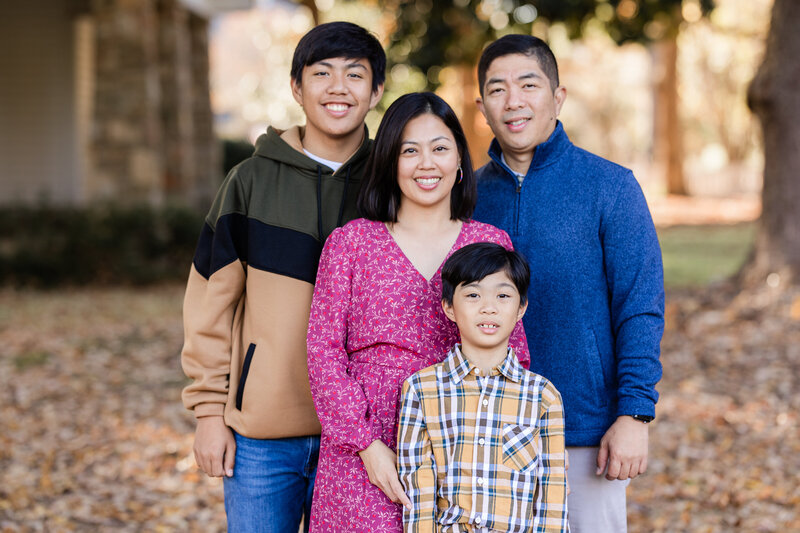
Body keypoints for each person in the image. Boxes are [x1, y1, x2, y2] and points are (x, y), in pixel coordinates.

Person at [180, 21, 385, 532]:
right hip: (262, 439)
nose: (338, 87)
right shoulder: (248, 181)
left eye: (355, 74)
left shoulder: (393, 181)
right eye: (322, 73)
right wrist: (209, 412)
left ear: (376, 90)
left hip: (367, 434)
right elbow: (209, 304)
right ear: (297, 87)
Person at [306, 92, 530, 533]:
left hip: (463, 452)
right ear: (391, 163)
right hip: (364, 458)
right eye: (410, 150)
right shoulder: (351, 244)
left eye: (440, 148)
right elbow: (323, 351)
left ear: (461, 162)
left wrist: (481, 448)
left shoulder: (490, 243)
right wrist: (366, 445)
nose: (426, 163)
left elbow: (515, 356)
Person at [471, 35, 664, 532]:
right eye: (497, 89)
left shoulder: (611, 187)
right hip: (483, 433)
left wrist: (634, 415)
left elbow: (639, 306)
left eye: (528, 84)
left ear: (557, 97)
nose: (513, 101)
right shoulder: (463, 196)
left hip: (584, 429)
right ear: (482, 107)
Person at [397, 242, 569, 533]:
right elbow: (419, 492)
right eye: (473, 295)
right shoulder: (421, 390)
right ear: (449, 307)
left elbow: (552, 497)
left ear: (521, 307)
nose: (489, 307)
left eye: (503, 295)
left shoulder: (543, 396)